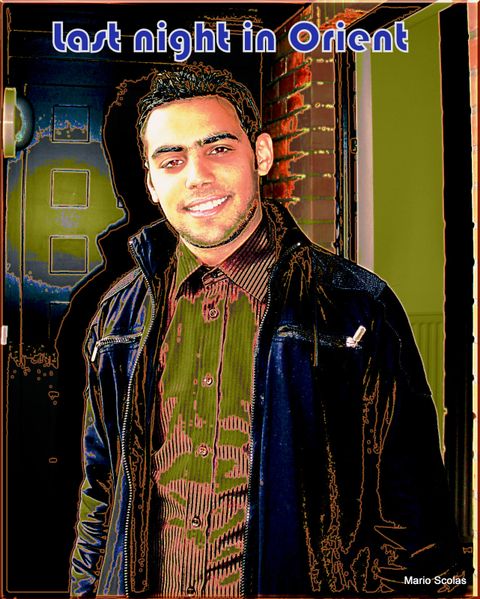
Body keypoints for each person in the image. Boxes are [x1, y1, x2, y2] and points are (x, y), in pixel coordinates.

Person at [70, 64, 465, 597]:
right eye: (172, 160)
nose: (197, 176)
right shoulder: (118, 318)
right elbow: (101, 491)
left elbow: (414, 526)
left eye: (218, 148)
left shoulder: (356, 312)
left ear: (259, 154)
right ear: (150, 182)